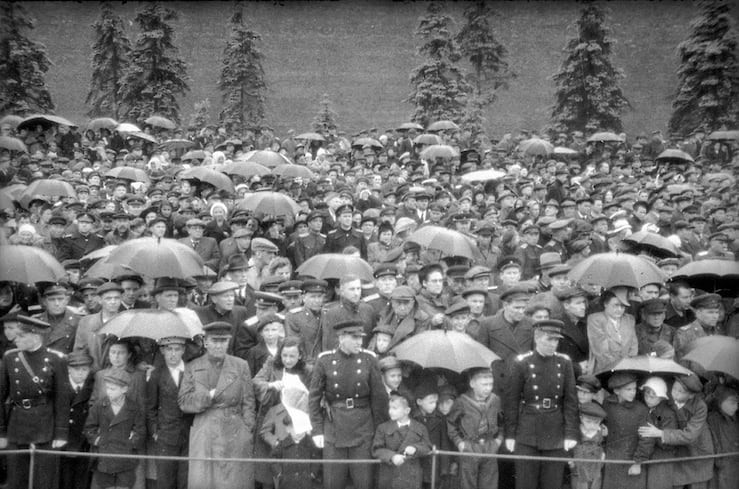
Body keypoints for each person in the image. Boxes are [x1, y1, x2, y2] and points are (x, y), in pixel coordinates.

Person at [309, 319, 388, 489]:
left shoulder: (369, 359)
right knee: (333, 481)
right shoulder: (325, 360)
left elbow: (379, 399)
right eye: (354, 338)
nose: (359, 342)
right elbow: (314, 398)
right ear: (341, 337)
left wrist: (380, 431)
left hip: (363, 427)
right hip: (334, 427)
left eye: (361, 337)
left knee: (363, 481)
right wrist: (317, 430)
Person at [178, 321, 256, 489]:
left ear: (228, 342)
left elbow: (248, 402)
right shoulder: (193, 366)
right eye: (214, 341)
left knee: (233, 482)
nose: (219, 345)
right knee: (205, 480)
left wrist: (247, 430)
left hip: (234, 432)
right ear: (205, 342)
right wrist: (208, 396)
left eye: (223, 341)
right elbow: (184, 402)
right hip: (205, 431)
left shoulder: (240, 365)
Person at [504, 319, 579, 489]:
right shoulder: (522, 362)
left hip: (555, 431)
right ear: (537, 338)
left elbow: (571, 401)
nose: (553, 344)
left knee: (552, 483)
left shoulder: (564, 362)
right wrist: (510, 434)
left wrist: (570, 433)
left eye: (556, 340)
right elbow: (511, 401)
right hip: (527, 431)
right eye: (549, 339)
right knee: (525, 483)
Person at [0, 315, 69, 489]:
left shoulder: (56, 359)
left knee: (44, 479)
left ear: (36, 336)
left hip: (45, 425)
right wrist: (1, 432)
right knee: (17, 478)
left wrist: (61, 433)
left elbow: (62, 399)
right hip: (17, 425)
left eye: (21, 336)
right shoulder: (10, 358)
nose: (16, 339)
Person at [638, 373, 714, 489]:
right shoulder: (668, 398)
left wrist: (661, 433)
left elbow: (690, 435)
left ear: (691, 395)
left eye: (680, 391)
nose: (675, 393)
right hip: (678, 450)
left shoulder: (700, 406)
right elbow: (659, 413)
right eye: (674, 388)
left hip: (697, 450)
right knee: (677, 481)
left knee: (698, 482)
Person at [84, 368, 146, 489]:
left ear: (124, 389)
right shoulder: (99, 406)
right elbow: (89, 428)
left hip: (125, 460)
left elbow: (140, 431)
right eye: (107, 388)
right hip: (104, 458)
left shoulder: (134, 408)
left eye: (113, 389)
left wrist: (130, 444)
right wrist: (98, 440)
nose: (109, 392)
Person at [446, 367, 504, 489]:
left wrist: (498, 440)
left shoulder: (495, 400)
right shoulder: (461, 401)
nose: (488, 388)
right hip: (470, 446)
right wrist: (459, 443)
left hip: (490, 446)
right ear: (472, 384)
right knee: (467, 484)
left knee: (489, 484)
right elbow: (451, 423)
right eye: (484, 385)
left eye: (490, 384)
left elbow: (502, 422)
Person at [145, 336, 191, 489]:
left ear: (183, 350)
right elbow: (150, 407)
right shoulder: (157, 375)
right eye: (169, 349)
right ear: (163, 351)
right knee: (165, 480)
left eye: (177, 349)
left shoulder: (191, 371)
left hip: (189, 435)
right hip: (166, 436)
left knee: (185, 479)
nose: (173, 354)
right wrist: (155, 432)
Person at [372, 391, 433, 489]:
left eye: (395, 408)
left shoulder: (420, 428)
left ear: (407, 411)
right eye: (390, 408)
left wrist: (415, 448)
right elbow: (377, 449)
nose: (390, 411)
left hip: (411, 478)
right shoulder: (382, 428)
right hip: (389, 477)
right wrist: (392, 457)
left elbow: (427, 447)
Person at [601, 372, 650, 489]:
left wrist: (638, 463)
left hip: (631, 460)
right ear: (616, 391)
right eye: (628, 389)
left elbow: (646, 439)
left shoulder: (641, 409)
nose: (633, 392)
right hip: (611, 459)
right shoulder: (607, 403)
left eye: (634, 389)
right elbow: (603, 424)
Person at [60, 351, 95, 489]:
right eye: (76, 369)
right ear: (68, 369)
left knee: (82, 479)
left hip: (83, 441)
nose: (81, 373)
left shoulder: (92, 388)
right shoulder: (60, 387)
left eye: (84, 369)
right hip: (64, 440)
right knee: (64, 478)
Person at [638, 376, 677, 489]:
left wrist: (655, 434)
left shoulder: (667, 414)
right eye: (646, 395)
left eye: (652, 396)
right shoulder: (648, 408)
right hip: (651, 455)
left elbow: (669, 444)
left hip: (662, 458)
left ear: (661, 398)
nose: (648, 399)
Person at [412, 379, 452, 489]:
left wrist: (444, 468)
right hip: (417, 463)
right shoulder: (412, 419)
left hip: (434, 464)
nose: (434, 405)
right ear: (419, 402)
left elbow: (444, 444)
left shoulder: (440, 419)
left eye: (435, 402)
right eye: (431, 402)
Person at [587, 288, 637, 373]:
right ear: (605, 304)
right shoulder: (595, 319)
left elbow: (633, 347)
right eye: (615, 305)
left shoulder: (629, 319)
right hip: (604, 370)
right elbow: (601, 351)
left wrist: (629, 366)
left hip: (628, 369)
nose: (619, 309)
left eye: (622, 306)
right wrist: (618, 369)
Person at [706, 385, 738, 489]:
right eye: (732, 403)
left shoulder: (735, 419)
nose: (736, 407)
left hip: (734, 462)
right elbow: (713, 440)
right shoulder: (713, 419)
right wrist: (719, 459)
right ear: (721, 402)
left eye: (737, 403)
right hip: (721, 463)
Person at [570, 401, 607, 489]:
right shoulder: (576, 431)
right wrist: (570, 459)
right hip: (580, 465)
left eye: (596, 422)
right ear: (581, 419)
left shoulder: (601, 431)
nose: (592, 425)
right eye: (588, 422)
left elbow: (603, 444)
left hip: (596, 464)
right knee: (580, 483)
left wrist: (603, 454)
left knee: (595, 483)